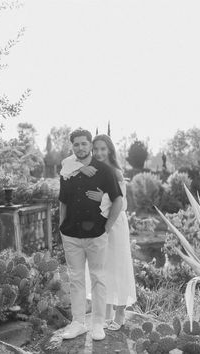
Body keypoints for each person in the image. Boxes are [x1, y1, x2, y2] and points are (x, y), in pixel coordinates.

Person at [61, 134, 137, 331]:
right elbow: (67, 162)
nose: (100, 153)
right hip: (98, 225)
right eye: (97, 149)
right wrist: (80, 167)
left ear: (110, 150)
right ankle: (106, 312)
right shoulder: (91, 168)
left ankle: (120, 313)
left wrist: (102, 197)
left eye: (104, 149)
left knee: (118, 267)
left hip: (115, 225)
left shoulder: (116, 172)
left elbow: (122, 203)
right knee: (104, 269)